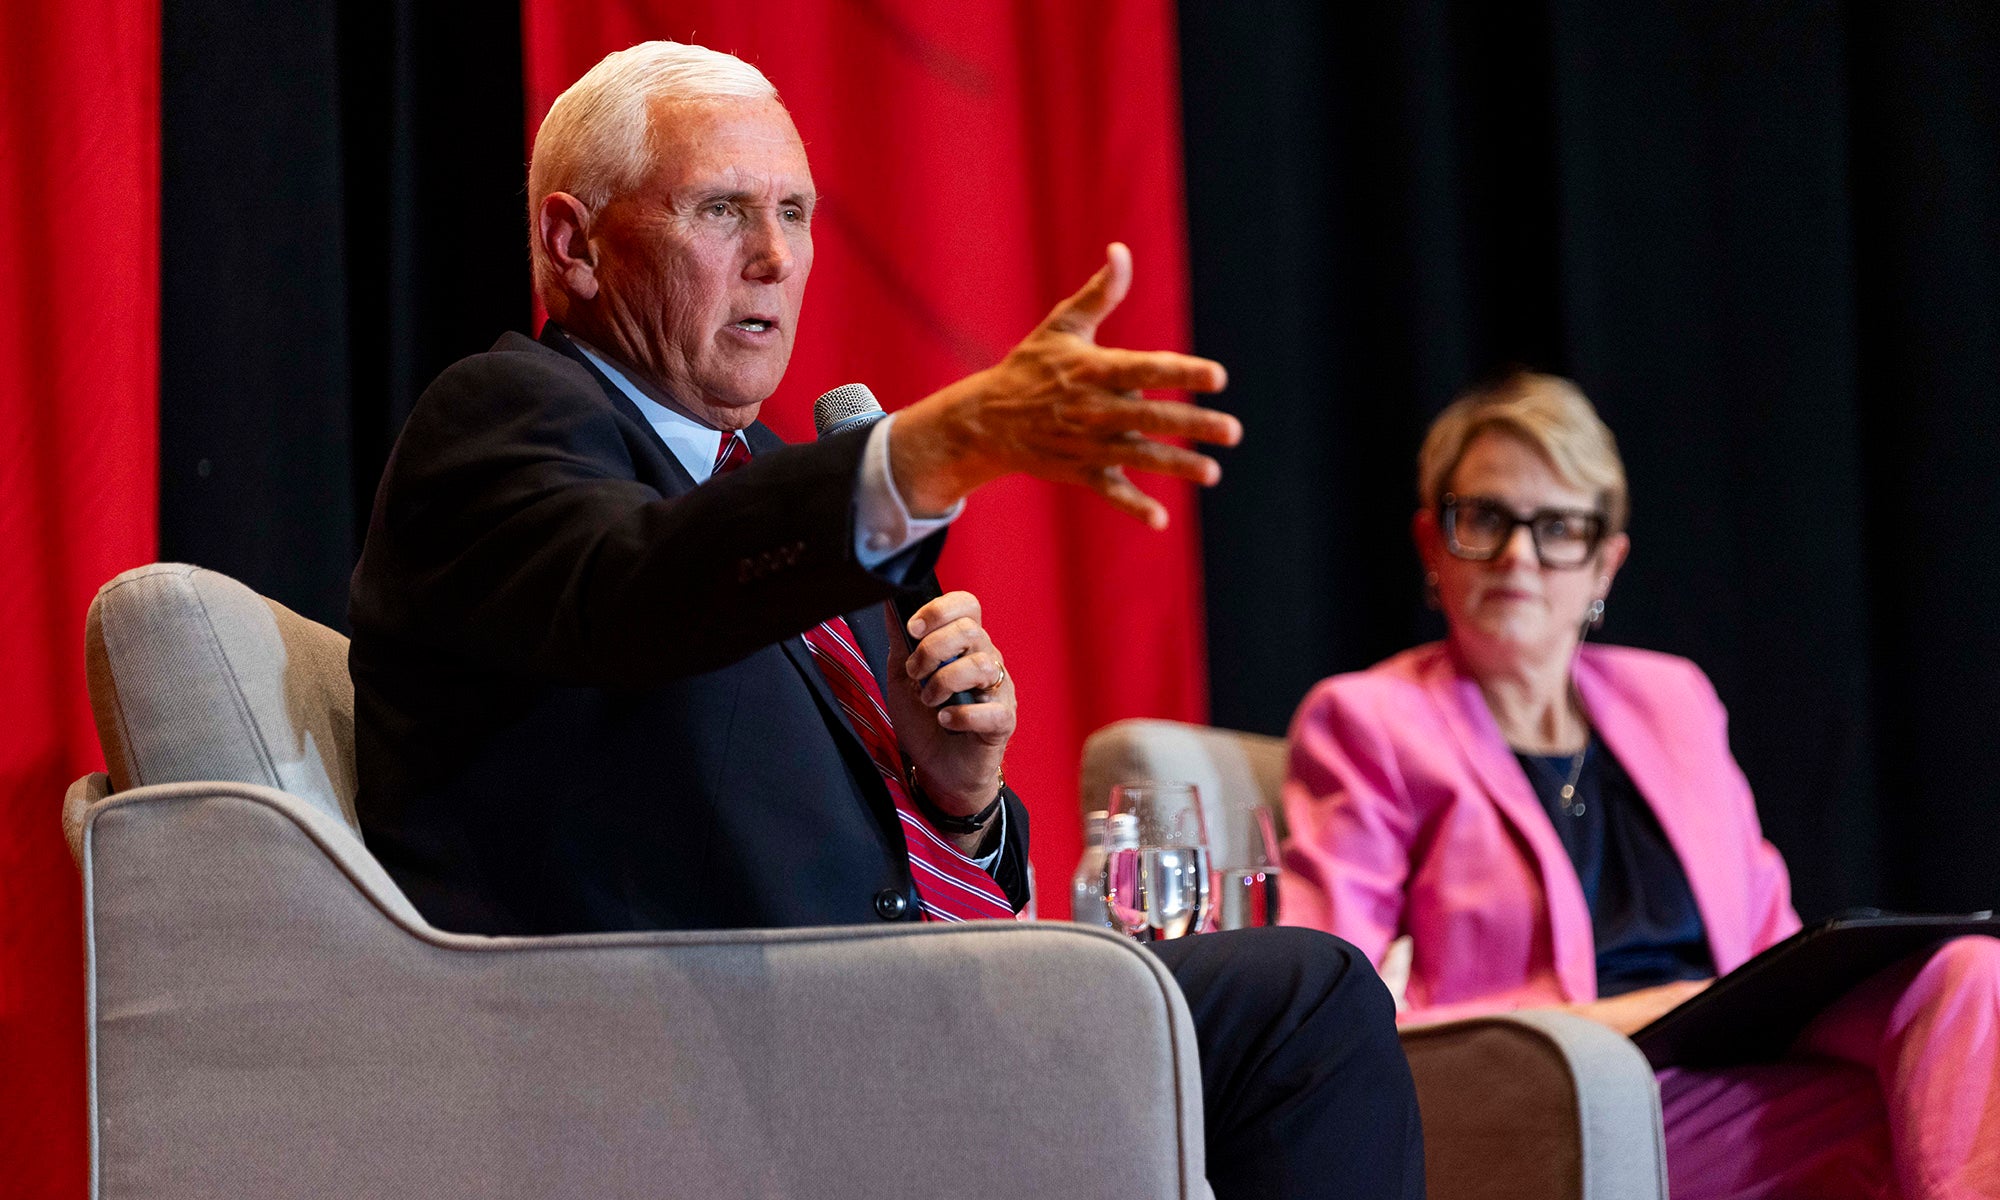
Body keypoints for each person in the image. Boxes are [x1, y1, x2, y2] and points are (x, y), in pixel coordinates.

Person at [350, 41, 1421, 1200]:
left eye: (795, 212)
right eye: (721, 210)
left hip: (877, 1018)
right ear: (574, 244)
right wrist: (928, 447)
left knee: (1295, 1000)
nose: (774, 258)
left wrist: (958, 796)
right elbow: (632, 589)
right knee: (1302, 1004)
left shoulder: (756, 480)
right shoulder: (506, 416)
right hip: (683, 1053)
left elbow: (898, 848)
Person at [1280, 369, 2000, 1199]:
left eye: (1558, 528)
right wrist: (1640, 1013)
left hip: (1746, 1071)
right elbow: (1333, 1018)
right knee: (1928, 1119)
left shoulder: (1675, 700)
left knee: (1970, 973)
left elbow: (1775, 942)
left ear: (1604, 566)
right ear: (1430, 544)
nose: (1519, 554)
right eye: (1483, 518)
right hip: (1559, 1099)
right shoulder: (1369, 720)